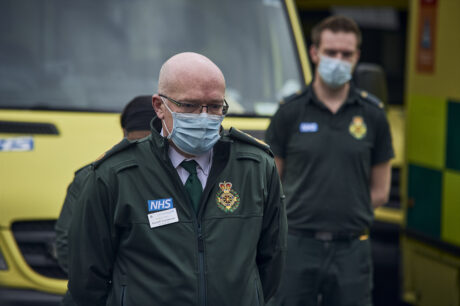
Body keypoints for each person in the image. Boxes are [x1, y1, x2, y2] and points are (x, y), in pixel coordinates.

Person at [67, 52, 287, 306]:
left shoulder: (256, 167)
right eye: (189, 105)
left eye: (215, 106)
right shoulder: (116, 174)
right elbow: (87, 280)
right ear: (159, 106)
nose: (204, 117)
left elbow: (272, 263)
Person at [265, 16, 394, 306]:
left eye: (346, 54)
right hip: (296, 245)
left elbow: (381, 190)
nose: (338, 59)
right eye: (331, 52)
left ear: (357, 57)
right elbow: (272, 184)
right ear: (315, 53)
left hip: (351, 249)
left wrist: (343, 210)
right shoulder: (290, 112)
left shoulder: (373, 115)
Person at [55, 95, 154, 305]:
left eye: (147, 142)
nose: (141, 151)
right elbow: (68, 247)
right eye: (137, 143)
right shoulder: (95, 176)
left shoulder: (182, 178)